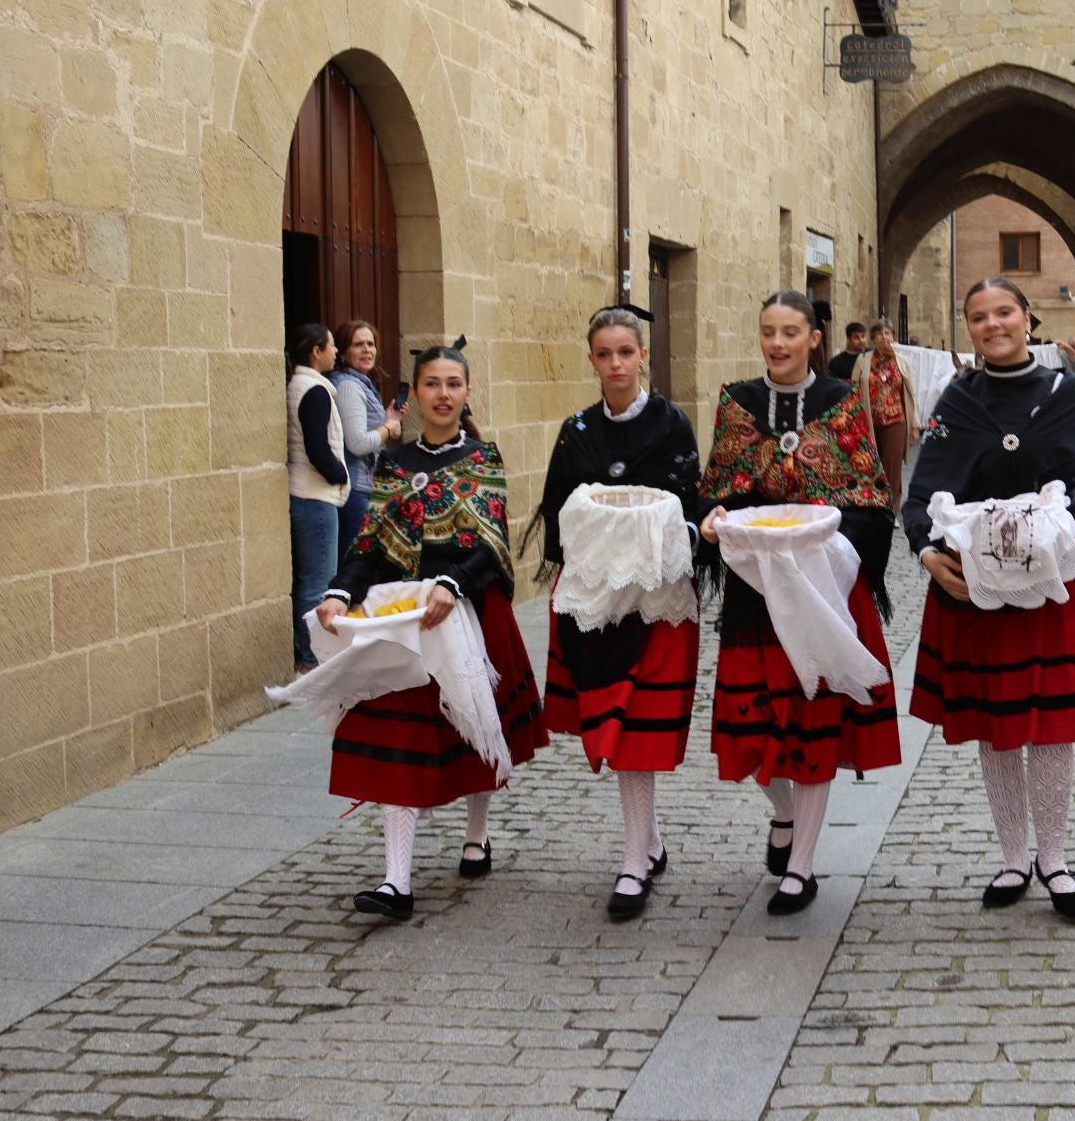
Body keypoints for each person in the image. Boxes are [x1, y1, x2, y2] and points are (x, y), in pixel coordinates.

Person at [906, 276, 1075, 921]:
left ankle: (1052, 860)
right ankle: (1010, 858)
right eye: (979, 316)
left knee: (1052, 729)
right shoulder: (957, 400)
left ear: (1028, 319)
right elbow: (923, 493)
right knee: (997, 730)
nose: (993, 324)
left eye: (1004, 312)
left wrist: (1059, 529)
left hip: (1054, 582)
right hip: (976, 588)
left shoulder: (1068, 392)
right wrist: (927, 551)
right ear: (967, 327)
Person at [310, 344, 547, 919]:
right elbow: (369, 544)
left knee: (476, 725)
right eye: (432, 384)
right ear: (415, 394)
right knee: (396, 735)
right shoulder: (395, 465)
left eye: (454, 384)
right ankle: (396, 880)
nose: (443, 394)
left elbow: (491, 546)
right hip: (406, 618)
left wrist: (453, 581)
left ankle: (477, 832)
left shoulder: (483, 457)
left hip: (469, 608)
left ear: (466, 393)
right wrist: (341, 589)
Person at [699, 290, 901, 915]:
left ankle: (803, 867)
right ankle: (783, 816)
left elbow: (868, 493)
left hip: (821, 588)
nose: (778, 343)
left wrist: (831, 541)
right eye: (768, 332)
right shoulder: (736, 400)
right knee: (753, 727)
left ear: (815, 337)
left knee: (811, 725)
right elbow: (717, 485)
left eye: (791, 332)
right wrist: (710, 520)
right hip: (754, 594)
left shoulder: (841, 402)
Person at [530, 307, 703, 920]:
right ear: (592, 360)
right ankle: (648, 843)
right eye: (604, 354)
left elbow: (688, 507)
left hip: (656, 605)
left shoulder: (672, 426)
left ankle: (633, 862)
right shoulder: (576, 430)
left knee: (636, 732)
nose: (616, 364)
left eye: (625, 352)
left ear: (643, 355)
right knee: (614, 724)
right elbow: (557, 514)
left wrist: (638, 529)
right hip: (595, 605)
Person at [286, 324, 349, 675]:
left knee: (311, 580)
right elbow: (317, 447)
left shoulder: (305, 385)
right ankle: (311, 659)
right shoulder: (314, 390)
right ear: (315, 351)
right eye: (331, 346)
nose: (336, 352)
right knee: (319, 583)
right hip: (315, 496)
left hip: (309, 494)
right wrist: (339, 473)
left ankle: (309, 654)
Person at [331, 320, 405, 548]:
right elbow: (358, 443)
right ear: (343, 352)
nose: (367, 350)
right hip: (356, 491)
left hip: (365, 488)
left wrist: (389, 418)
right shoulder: (350, 386)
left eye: (371, 344)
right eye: (358, 344)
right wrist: (387, 429)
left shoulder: (361, 383)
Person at [852, 318, 917, 502]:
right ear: (873, 338)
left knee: (892, 466)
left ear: (893, 337)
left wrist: (914, 426)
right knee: (871, 464)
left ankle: (891, 506)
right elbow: (854, 391)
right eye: (880, 333)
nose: (884, 337)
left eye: (887, 333)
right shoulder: (863, 360)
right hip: (869, 421)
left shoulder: (902, 361)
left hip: (896, 420)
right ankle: (874, 502)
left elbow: (911, 393)